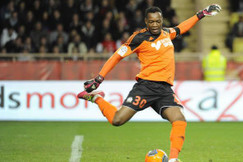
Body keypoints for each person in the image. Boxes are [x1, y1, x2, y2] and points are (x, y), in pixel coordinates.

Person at [78, 5, 221, 162]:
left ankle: (174, 159)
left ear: (161, 21)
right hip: (145, 87)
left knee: (179, 120)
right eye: (151, 22)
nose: (155, 25)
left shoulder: (167, 33)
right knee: (117, 120)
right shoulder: (138, 38)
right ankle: (97, 98)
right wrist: (99, 78)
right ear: (146, 22)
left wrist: (201, 14)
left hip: (164, 90)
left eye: (158, 21)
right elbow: (117, 56)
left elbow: (181, 28)